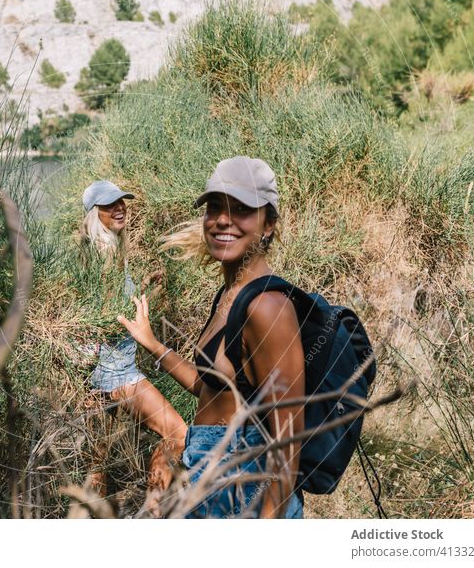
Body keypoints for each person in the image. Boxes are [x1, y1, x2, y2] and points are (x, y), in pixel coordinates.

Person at [117, 157, 305, 518]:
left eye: (242, 209)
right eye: (215, 207)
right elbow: (210, 386)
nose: (223, 219)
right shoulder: (230, 295)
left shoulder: (268, 308)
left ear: (269, 225)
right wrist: (154, 344)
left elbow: (287, 439)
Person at [77, 179, 188, 510]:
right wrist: (138, 320)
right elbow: (103, 316)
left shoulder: (96, 251)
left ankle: (89, 520)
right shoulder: (107, 253)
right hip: (117, 373)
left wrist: (140, 292)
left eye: (122, 201)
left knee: (97, 462)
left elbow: (97, 307)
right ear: (94, 214)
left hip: (98, 375)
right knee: (177, 432)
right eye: (111, 205)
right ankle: (153, 507)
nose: (120, 207)